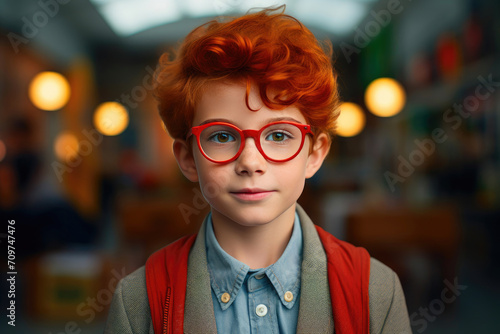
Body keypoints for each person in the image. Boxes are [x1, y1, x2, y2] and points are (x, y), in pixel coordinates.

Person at [105, 6, 411, 334]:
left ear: (315, 154)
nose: (250, 162)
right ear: (187, 158)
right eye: (222, 136)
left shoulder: (375, 290)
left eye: (279, 135)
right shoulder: (138, 301)